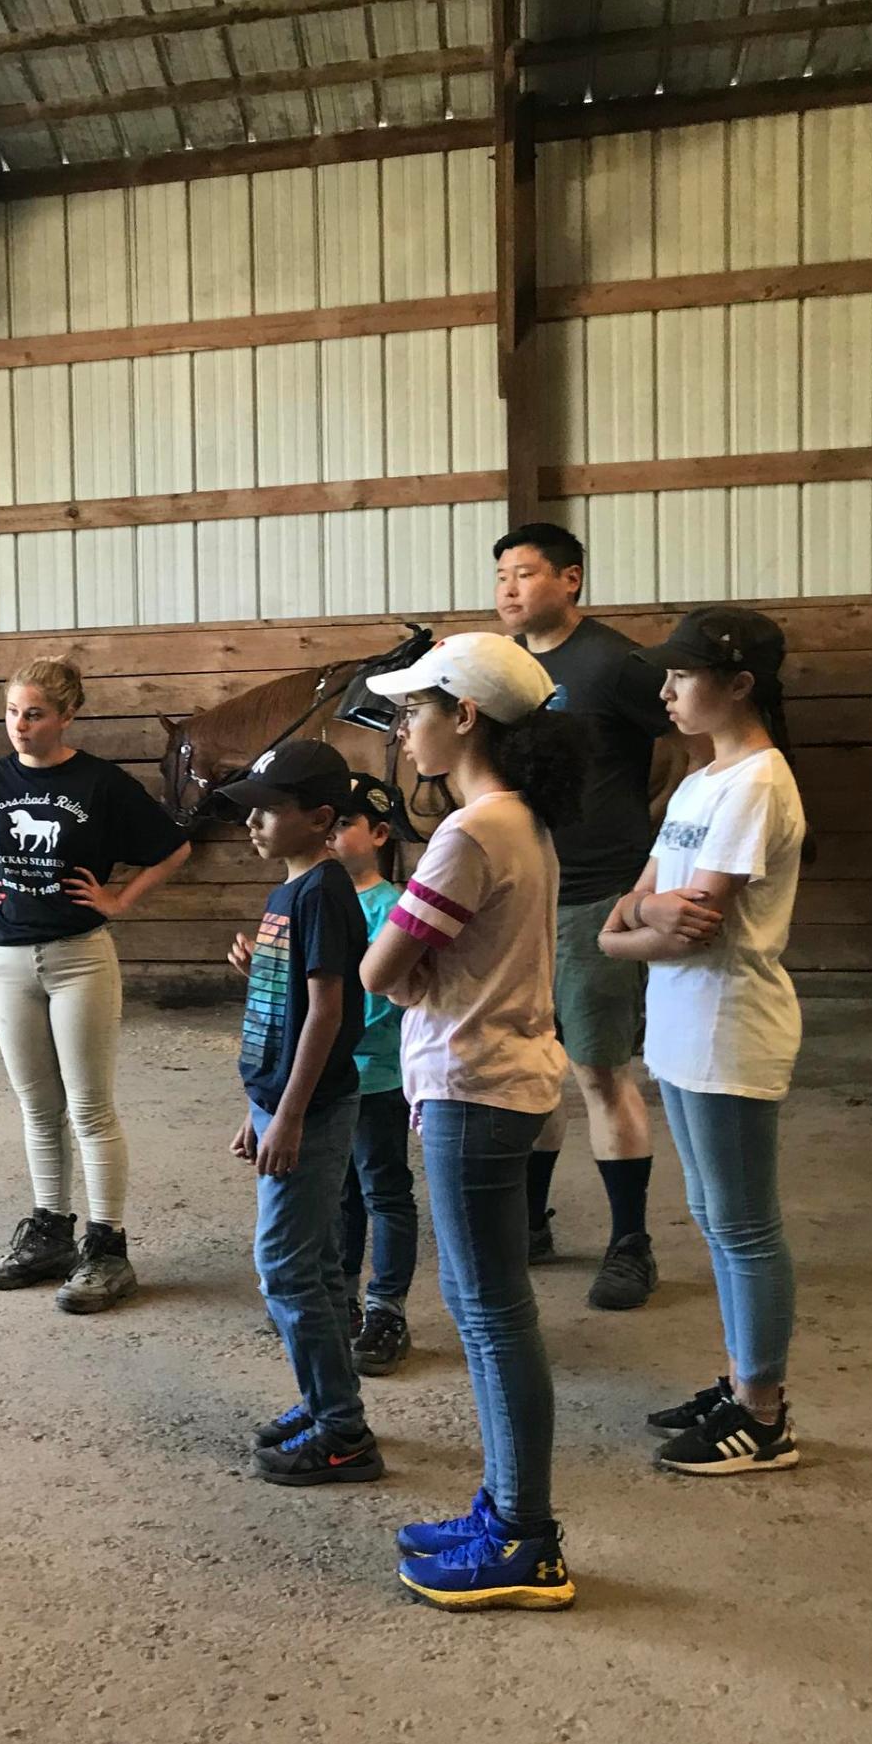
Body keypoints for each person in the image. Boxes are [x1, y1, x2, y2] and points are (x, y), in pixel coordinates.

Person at [358, 632, 588, 1611]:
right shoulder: (520, 823)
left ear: (467, 717)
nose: (404, 728)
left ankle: (526, 1538)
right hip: (500, 1080)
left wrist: (410, 981)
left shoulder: (470, 835)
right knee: (495, 1311)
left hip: (473, 1087)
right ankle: (505, 1510)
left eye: (416, 710)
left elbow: (380, 971)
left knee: (492, 1317)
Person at [599, 608, 809, 1475]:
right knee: (718, 1220)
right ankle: (739, 1380)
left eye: (683, 676)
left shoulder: (757, 782)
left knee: (746, 1226)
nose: (667, 691)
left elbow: (701, 930)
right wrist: (643, 914)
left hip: (731, 1027)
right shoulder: (698, 782)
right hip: (684, 1028)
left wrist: (637, 922)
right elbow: (625, 923)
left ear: (740, 684)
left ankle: (763, 1417)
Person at [0, 657, 191, 1313]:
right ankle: (50, 1230)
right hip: (8, 962)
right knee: (37, 1107)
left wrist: (119, 898)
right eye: (13, 712)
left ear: (67, 716)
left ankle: (107, 1246)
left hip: (80, 958)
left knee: (90, 1108)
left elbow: (174, 847)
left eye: (35, 713)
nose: (20, 725)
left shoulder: (100, 783)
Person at [495, 521, 688, 1310]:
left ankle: (630, 1244)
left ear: (571, 580)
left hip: (592, 898)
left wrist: (657, 831)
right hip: (521, 897)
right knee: (528, 1069)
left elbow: (688, 742)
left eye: (527, 574)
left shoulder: (616, 664)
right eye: (502, 575)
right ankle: (533, 1224)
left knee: (601, 1073)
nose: (509, 589)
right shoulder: (501, 669)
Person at [221, 743, 381, 1486]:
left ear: (319, 819)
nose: (252, 820)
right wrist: (259, 1105)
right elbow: (287, 1008)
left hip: (310, 1111)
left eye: (270, 808)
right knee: (312, 1263)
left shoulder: (320, 891)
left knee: (283, 1268)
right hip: (284, 1101)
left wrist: (286, 1116)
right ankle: (328, 1404)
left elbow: (327, 1012)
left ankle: (343, 1431)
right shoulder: (292, 891)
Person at [325, 774, 418, 1378]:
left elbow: (383, 993)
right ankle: (344, 1302)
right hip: (326, 1073)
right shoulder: (317, 896)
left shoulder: (391, 908)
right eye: (326, 823)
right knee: (340, 1194)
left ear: (379, 834)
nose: (330, 836)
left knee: (383, 1189)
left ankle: (387, 1309)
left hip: (375, 1073)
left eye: (342, 825)